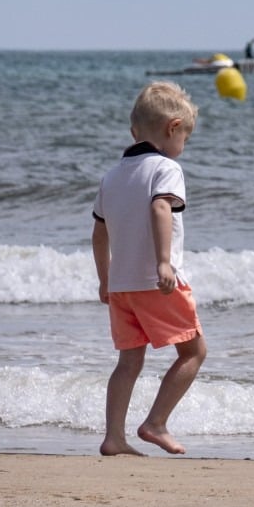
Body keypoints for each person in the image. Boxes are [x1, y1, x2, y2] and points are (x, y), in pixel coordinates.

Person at [91, 81, 208, 456]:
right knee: (194, 352)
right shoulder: (166, 168)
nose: (183, 148)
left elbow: (99, 230)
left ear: (133, 132)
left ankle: (113, 437)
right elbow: (161, 208)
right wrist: (164, 262)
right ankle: (155, 422)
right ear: (173, 128)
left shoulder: (112, 175)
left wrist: (105, 278)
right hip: (157, 282)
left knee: (129, 361)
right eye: (185, 139)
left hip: (122, 285)